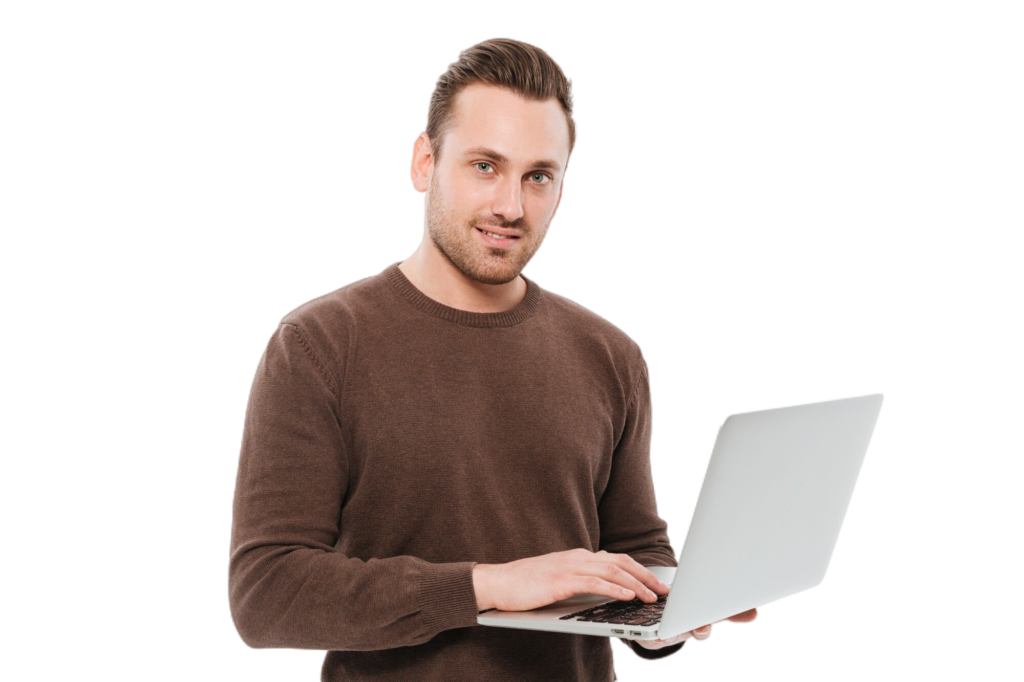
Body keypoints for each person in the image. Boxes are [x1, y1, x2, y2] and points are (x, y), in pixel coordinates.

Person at [228, 37, 756, 681]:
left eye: (539, 176)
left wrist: (672, 609)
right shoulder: (317, 343)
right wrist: (486, 586)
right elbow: (267, 596)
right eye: (485, 166)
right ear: (424, 163)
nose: (512, 206)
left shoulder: (611, 353)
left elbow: (634, 545)